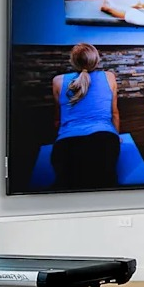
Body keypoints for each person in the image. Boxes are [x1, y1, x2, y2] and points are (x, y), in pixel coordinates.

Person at [50, 43, 121, 188]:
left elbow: (58, 119)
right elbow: (115, 113)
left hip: (66, 145)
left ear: (72, 61)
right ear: (96, 60)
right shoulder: (110, 77)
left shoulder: (57, 81)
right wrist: (116, 135)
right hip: (106, 141)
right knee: (106, 184)